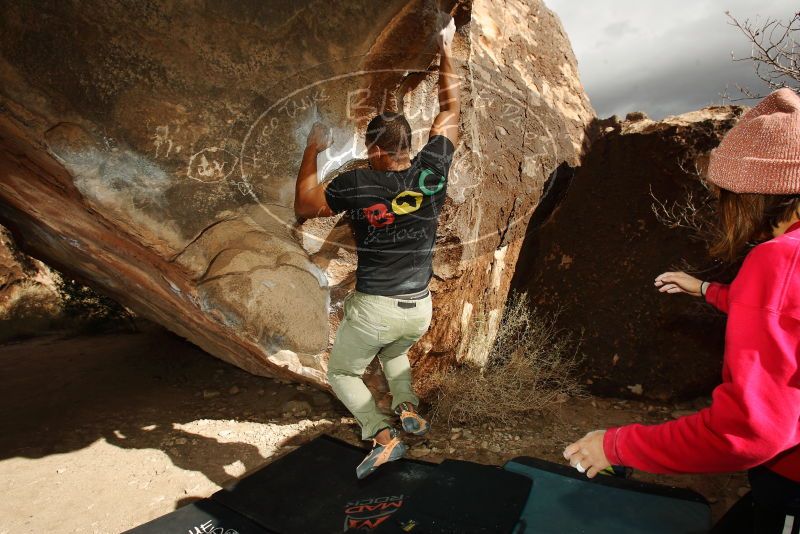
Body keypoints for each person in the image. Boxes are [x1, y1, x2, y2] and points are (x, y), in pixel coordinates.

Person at [563, 87, 800, 533]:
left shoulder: (780, 259)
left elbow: (750, 431)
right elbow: (787, 318)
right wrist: (708, 289)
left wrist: (618, 446)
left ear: (751, 191)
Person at [293, 18, 459, 479]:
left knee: (342, 374)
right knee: (394, 351)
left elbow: (305, 205)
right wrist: (447, 48)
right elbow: (451, 109)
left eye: (370, 149)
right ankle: (407, 406)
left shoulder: (358, 183)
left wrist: (313, 148)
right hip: (418, 308)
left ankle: (382, 435)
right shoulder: (433, 169)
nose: (367, 155)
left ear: (379, 152)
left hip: (377, 309)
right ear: (408, 146)